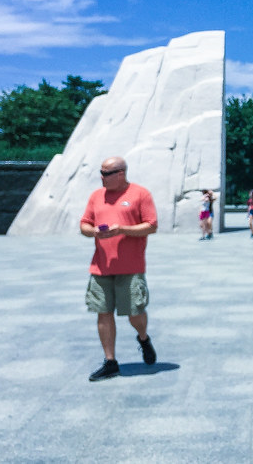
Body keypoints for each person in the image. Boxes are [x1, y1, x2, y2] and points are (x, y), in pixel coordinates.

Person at [80, 156, 159, 380]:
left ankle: (143, 338)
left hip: (131, 267)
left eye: (106, 173)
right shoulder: (96, 196)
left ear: (120, 174)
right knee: (103, 313)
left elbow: (151, 226)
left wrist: (122, 229)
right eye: (101, 172)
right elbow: (84, 223)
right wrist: (93, 231)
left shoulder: (140, 194)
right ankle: (110, 361)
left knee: (135, 313)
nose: (101, 177)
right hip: (100, 267)